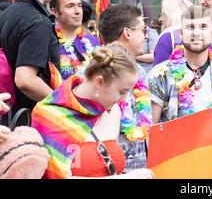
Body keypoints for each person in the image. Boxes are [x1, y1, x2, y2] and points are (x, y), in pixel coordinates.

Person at [31, 45, 154, 179]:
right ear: (99, 82)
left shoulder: (113, 112)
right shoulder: (50, 116)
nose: (124, 99)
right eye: (122, 92)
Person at [76, 4, 152, 173]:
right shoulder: (91, 73)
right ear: (128, 33)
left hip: (139, 170)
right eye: (143, 30)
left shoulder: (138, 71)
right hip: (106, 170)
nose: (146, 37)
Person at [0, 0, 63, 121]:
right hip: (25, 121)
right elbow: (25, 80)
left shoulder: (6, 15)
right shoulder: (38, 21)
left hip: (6, 116)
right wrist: (61, 106)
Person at [149, 6, 212, 123]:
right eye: (190, 27)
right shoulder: (161, 74)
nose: (196, 33)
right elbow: (151, 129)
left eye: (203, 27)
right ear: (181, 33)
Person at [49, 0, 101, 80]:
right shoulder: (48, 43)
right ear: (55, 12)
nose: (77, 11)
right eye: (70, 6)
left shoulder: (93, 41)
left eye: (79, 6)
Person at [153, 0, 193, 66]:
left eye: (163, 15)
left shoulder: (167, 38)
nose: (160, 19)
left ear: (171, 16)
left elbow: (158, 71)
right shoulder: (201, 36)